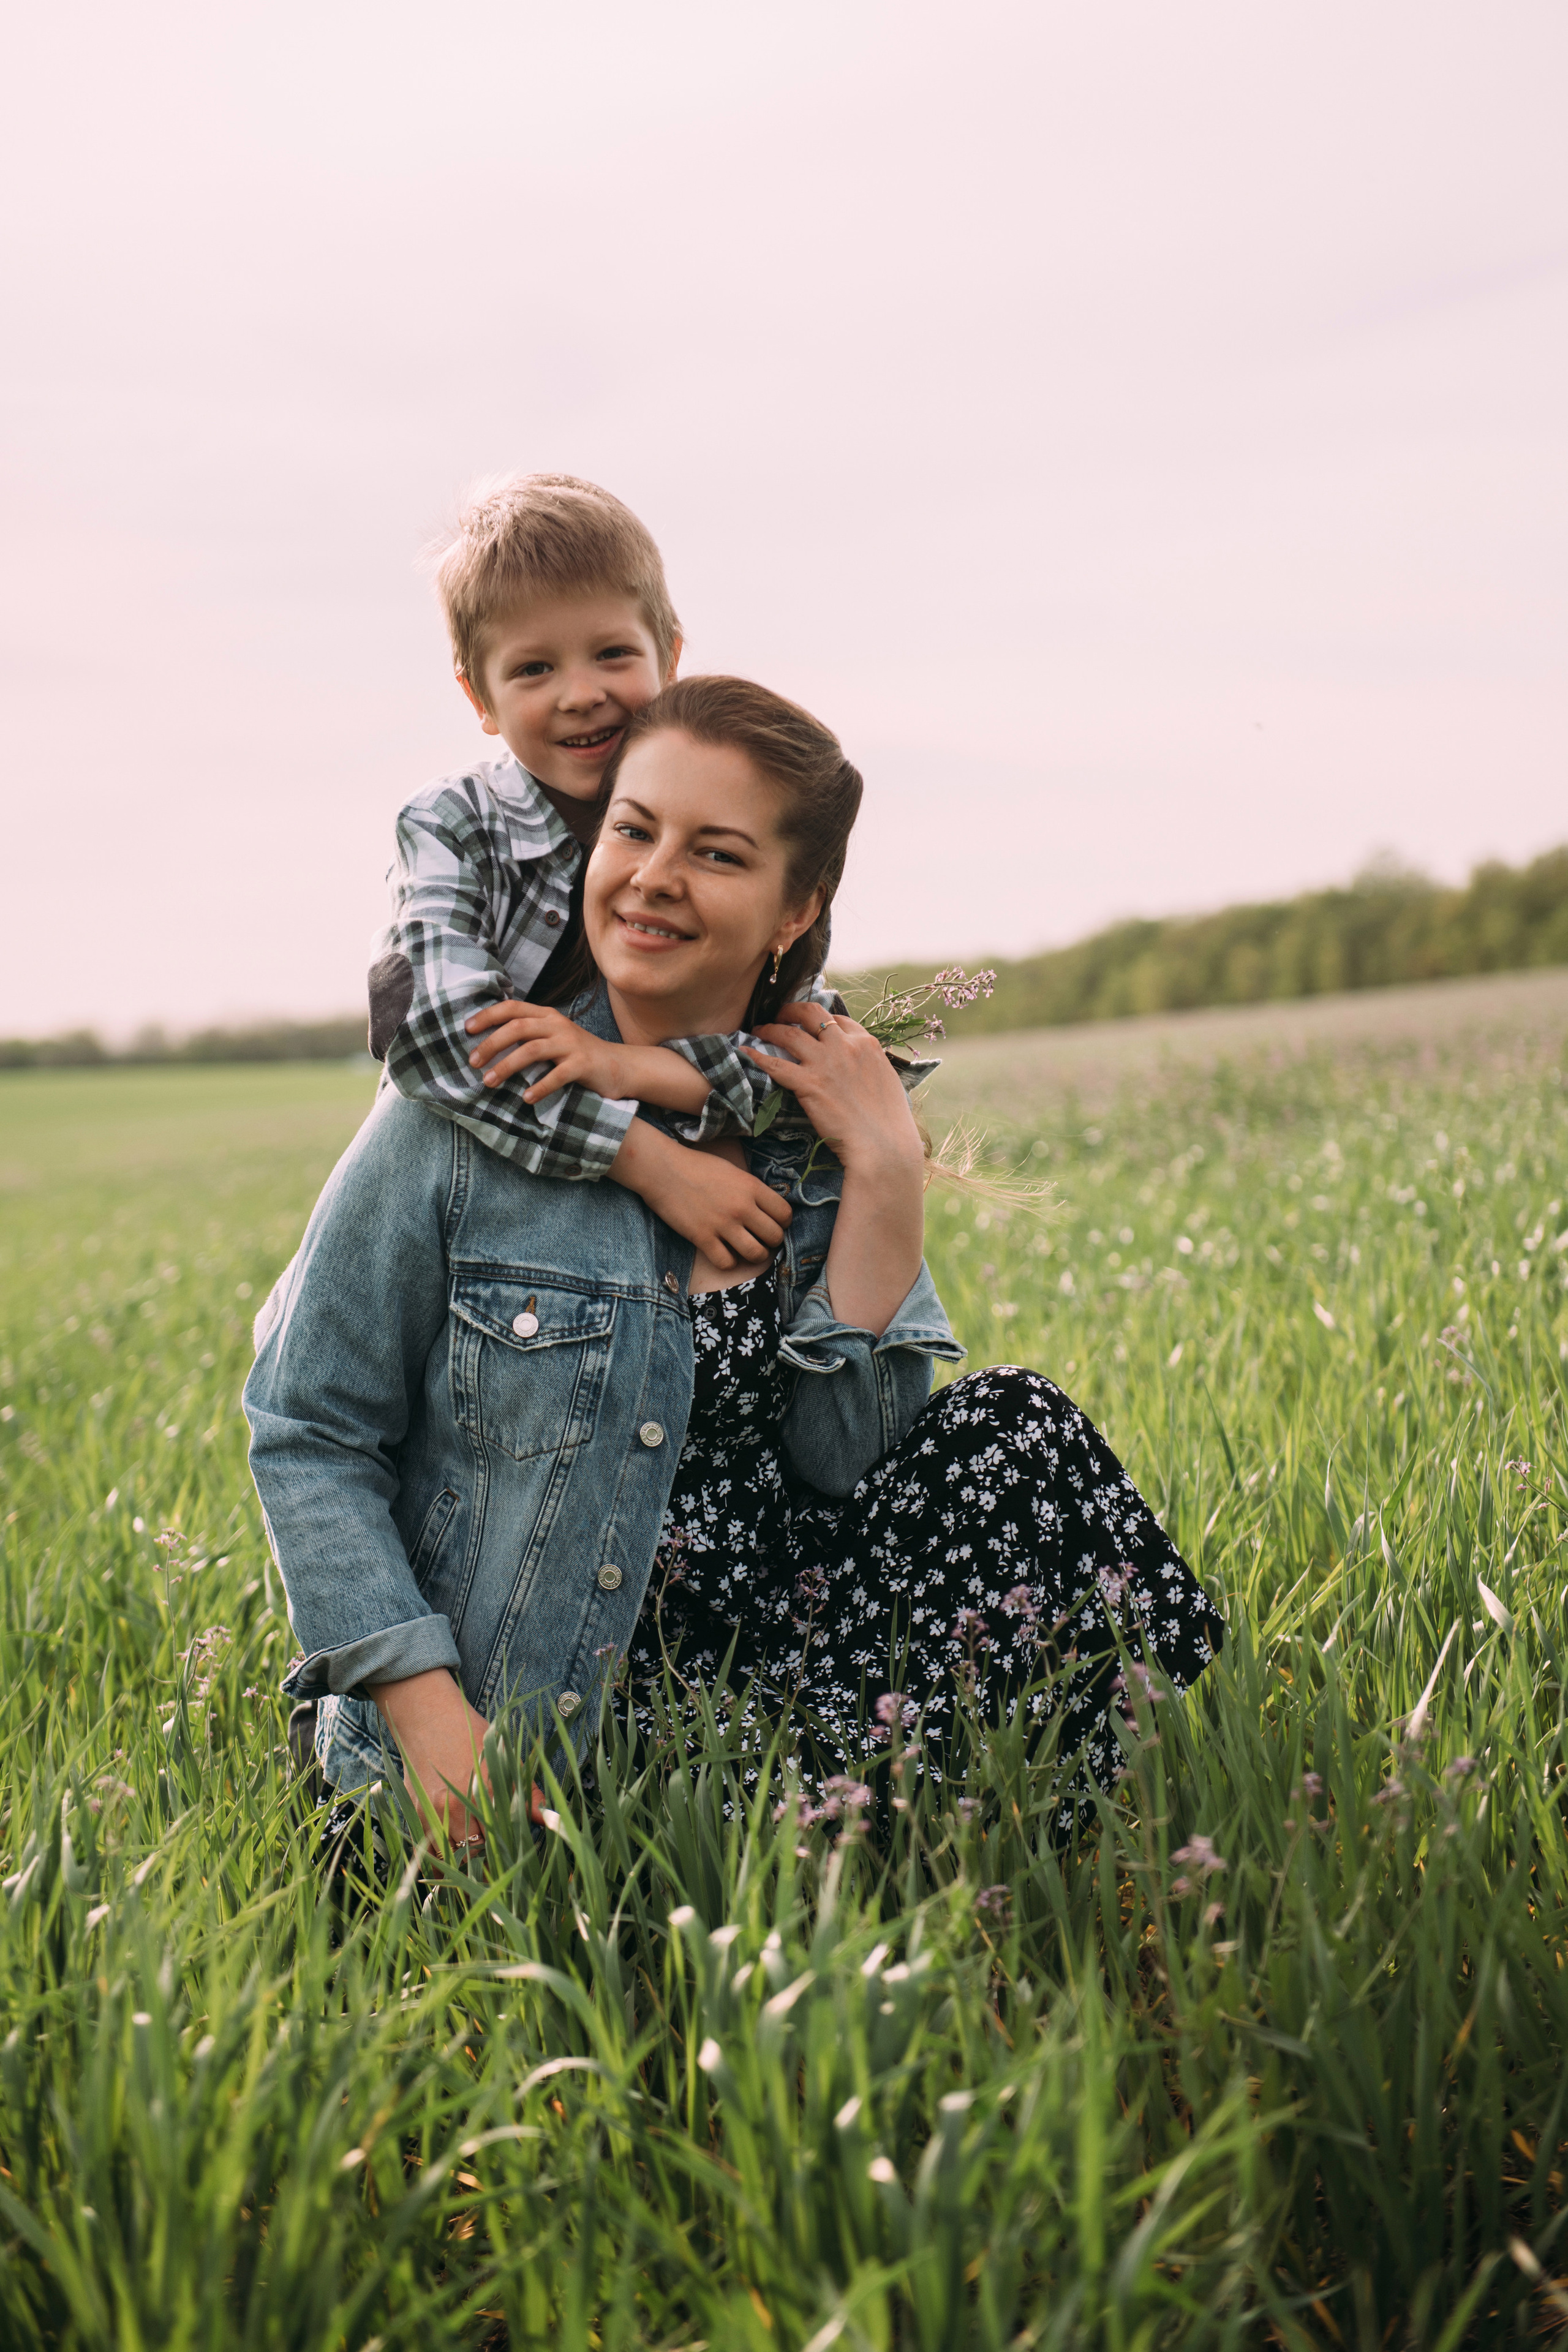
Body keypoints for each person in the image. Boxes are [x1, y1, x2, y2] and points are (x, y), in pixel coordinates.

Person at [246, 678, 1221, 1852]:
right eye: (632, 829)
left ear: (792, 909)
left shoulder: (806, 1130)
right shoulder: (470, 1109)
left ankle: (971, 1873)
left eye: (715, 853)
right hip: (515, 1712)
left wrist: (885, 1174)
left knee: (1021, 1432)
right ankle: (819, 1863)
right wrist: (427, 1720)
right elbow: (310, 1429)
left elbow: (844, 1464)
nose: (655, 875)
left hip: (753, 1681)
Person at [368, 470, 834, 1279]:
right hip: (472, 1198)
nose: (581, 695)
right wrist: (649, 1161)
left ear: (671, 657)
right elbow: (428, 1034)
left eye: (612, 654)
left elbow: (795, 1044)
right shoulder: (454, 825)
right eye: (533, 670)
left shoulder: (726, 823)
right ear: (480, 697)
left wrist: (627, 1068)